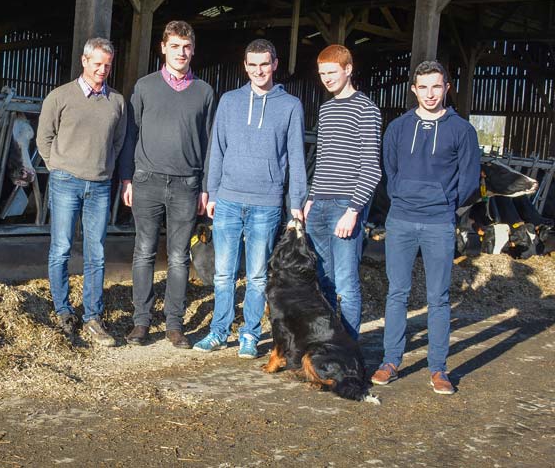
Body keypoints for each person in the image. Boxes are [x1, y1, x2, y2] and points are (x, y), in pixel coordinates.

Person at [192, 39, 307, 358]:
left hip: (266, 202)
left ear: (275, 64)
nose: (259, 70)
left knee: (257, 275)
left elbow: (296, 157)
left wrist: (295, 203)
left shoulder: (291, 106)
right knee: (223, 273)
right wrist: (212, 191)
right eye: (253, 64)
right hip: (228, 198)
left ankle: (249, 334)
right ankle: (218, 331)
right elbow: (216, 148)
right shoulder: (229, 101)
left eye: (264, 64)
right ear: (245, 66)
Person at [371, 60, 480, 395]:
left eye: (437, 86)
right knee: (397, 293)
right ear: (414, 89)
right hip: (401, 219)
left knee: (438, 296)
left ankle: (438, 368)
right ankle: (391, 361)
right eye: (423, 87)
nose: (430, 93)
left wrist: (445, 206)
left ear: (447, 87)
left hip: (439, 224)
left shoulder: (462, 130)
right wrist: (402, 197)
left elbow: (470, 180)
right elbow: (388, 169)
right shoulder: (399, 128)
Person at [119, 21, 216, 348]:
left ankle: (175, 325)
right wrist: (127, 177)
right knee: (144, 252)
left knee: (178, 256)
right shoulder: (145, 87)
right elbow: (130, 134)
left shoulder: (204, 91)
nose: (181, 53)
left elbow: (208, 141)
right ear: (163, 48)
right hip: (146, 180)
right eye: (175, 46)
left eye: (186, 47)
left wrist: (205, 186)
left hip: (187, 184)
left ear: (193, 50)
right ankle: (141, 322)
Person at [36, 37, 127, 347]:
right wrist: (57, 166)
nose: (102, 70)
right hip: (66, 180)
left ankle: (93, 317)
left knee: (96, 252)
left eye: (107, 65)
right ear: (84, 61)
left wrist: (105, 169)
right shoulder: (59, 97)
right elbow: (43, 138)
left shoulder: (116, 101)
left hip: (99, 184)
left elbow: (118, 141)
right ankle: (62, 311)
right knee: (61, 247)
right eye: (97, 64)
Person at [303, 44, 382, 340]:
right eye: (322, 73)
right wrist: (311, 198)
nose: (326, 78)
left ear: (348, 69)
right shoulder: (326, 109)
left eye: (332, 72)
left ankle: (349, 346)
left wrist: (353, 211)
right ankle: (327, 342)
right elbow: (322, 160)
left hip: (344, 207)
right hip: (320, 205)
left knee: (347, 284)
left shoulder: (366, 109)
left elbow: (371, 168)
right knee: (323, 279)